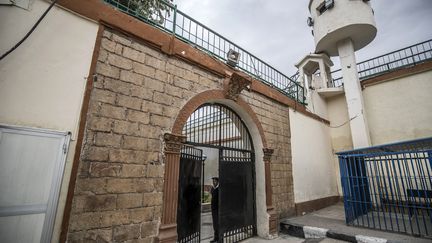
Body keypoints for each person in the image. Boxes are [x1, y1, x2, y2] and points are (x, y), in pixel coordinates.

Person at [210, 177, 219, 243]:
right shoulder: (212, 188)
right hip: (213, 209)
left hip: (218, 209)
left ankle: (219, 238)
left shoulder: (219, 189)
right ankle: (215, 238)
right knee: (215, 224)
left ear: (217, 182)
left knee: (218, 223)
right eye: (213, 181)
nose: (213, 182)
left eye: (215, 181)